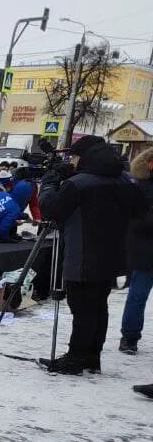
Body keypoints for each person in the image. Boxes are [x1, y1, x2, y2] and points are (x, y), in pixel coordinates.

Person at [38, 135, 147, 374]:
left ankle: (76, 357)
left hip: (82, 254)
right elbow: (140, 209)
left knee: (83, 307)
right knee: (99, 306)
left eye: (75, 157)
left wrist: (48, 185)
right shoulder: (125, 180)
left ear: (85, 158)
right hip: (112, 254)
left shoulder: (79, 184)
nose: (72, 163)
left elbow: (52, 210)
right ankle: (91, 357)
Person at [120, 149, 153, 354]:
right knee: (138, 296)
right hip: (145, 251)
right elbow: (133, 219)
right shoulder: (138, 185)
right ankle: (130, 337)